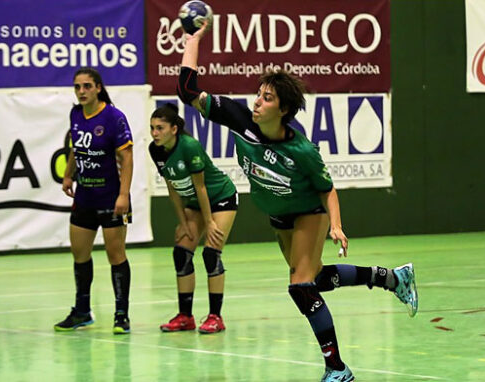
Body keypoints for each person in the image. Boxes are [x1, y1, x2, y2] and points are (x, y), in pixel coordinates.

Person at [176, 24, 418, 381]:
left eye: (268, 98)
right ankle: (393, 279)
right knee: (316, 279)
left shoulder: (301, 149)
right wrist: (194, 41)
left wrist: (335, 225)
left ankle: (337, 368)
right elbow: (186, 90)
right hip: (279, 215)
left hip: (309, 212)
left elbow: (327, 189)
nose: (257, 101)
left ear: (284, 109)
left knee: (300, 286)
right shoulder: (240, 119)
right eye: (258, 94)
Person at [54, 67, 134, 335]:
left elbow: (127, 158)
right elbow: (77, 147)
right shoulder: (76, 113)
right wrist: (68, 174)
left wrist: (123, 195)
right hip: (85, 196)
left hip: (111, 197)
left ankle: (121, 314)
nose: (81, 92)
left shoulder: (113, 117)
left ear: (98, 88)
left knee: (116, 255)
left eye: (87, 86)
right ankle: (82, 311)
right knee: (79, 253)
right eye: (77, 87)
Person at [148, 103, 238, 334]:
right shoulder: (155, 150)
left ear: (174, 129)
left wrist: (209, 223)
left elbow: (201, 188)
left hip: (221, 198)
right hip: (194, 204)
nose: (155, 133)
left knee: (211, 253)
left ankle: (215, 317)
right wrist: (184, 221)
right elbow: (172, 187)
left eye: (160, 128)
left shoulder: (189, 147)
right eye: (152, 128)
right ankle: (185, 316)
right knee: (181, 252)